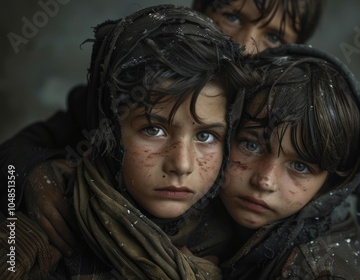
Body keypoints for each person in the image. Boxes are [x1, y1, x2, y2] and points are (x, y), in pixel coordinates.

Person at [1, 0, 360, 275]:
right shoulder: (138, 84)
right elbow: (14, 155)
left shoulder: (285, 102)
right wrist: (31, 175)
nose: (245, 44)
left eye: (273, 37)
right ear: (198, 8)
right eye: (231, 16)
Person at [0, 4, 257, 279]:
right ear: (107, 125)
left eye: (205, 136)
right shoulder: (36, 233)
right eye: (153, 130)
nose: (181, 165)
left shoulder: (241, 239)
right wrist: (25, 176)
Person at [217, 44, 360, 279]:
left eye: (300, 166)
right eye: (251, 145)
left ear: (330, 184)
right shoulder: (198, 216)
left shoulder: (317, 271)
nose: (265, 181)